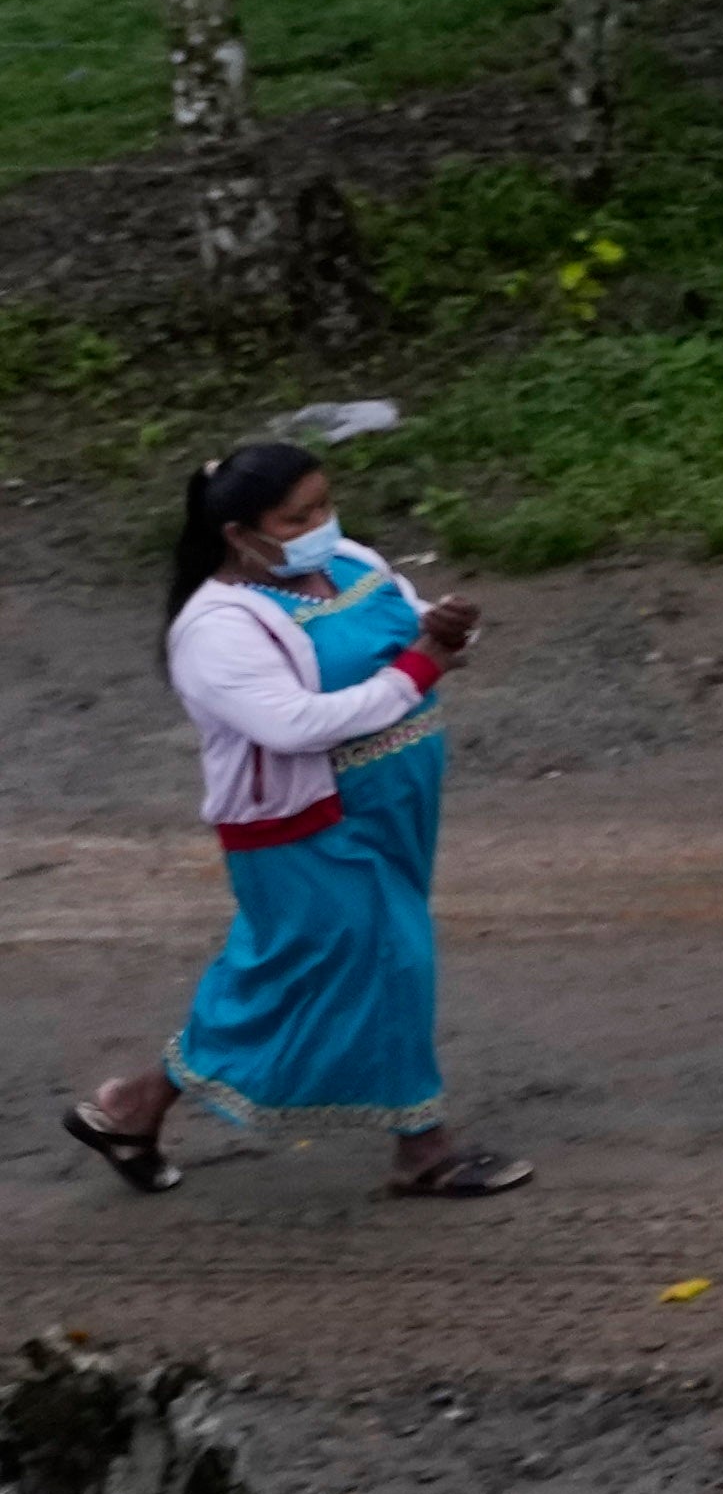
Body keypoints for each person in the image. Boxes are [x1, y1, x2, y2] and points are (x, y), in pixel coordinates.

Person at [65, 438, 524, 1198]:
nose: (319, 521)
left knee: (285, 973)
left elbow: (417, 627)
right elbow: (298, 725)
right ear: (240, 535)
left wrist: (450, 630)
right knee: (392, 958)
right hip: (306, 825)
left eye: (321, 502)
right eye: (295, 515)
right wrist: (422, 665)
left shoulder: (348, 560)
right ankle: (424, 1148)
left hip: (392, 805)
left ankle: (132, 1106)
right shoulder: (217, 628)